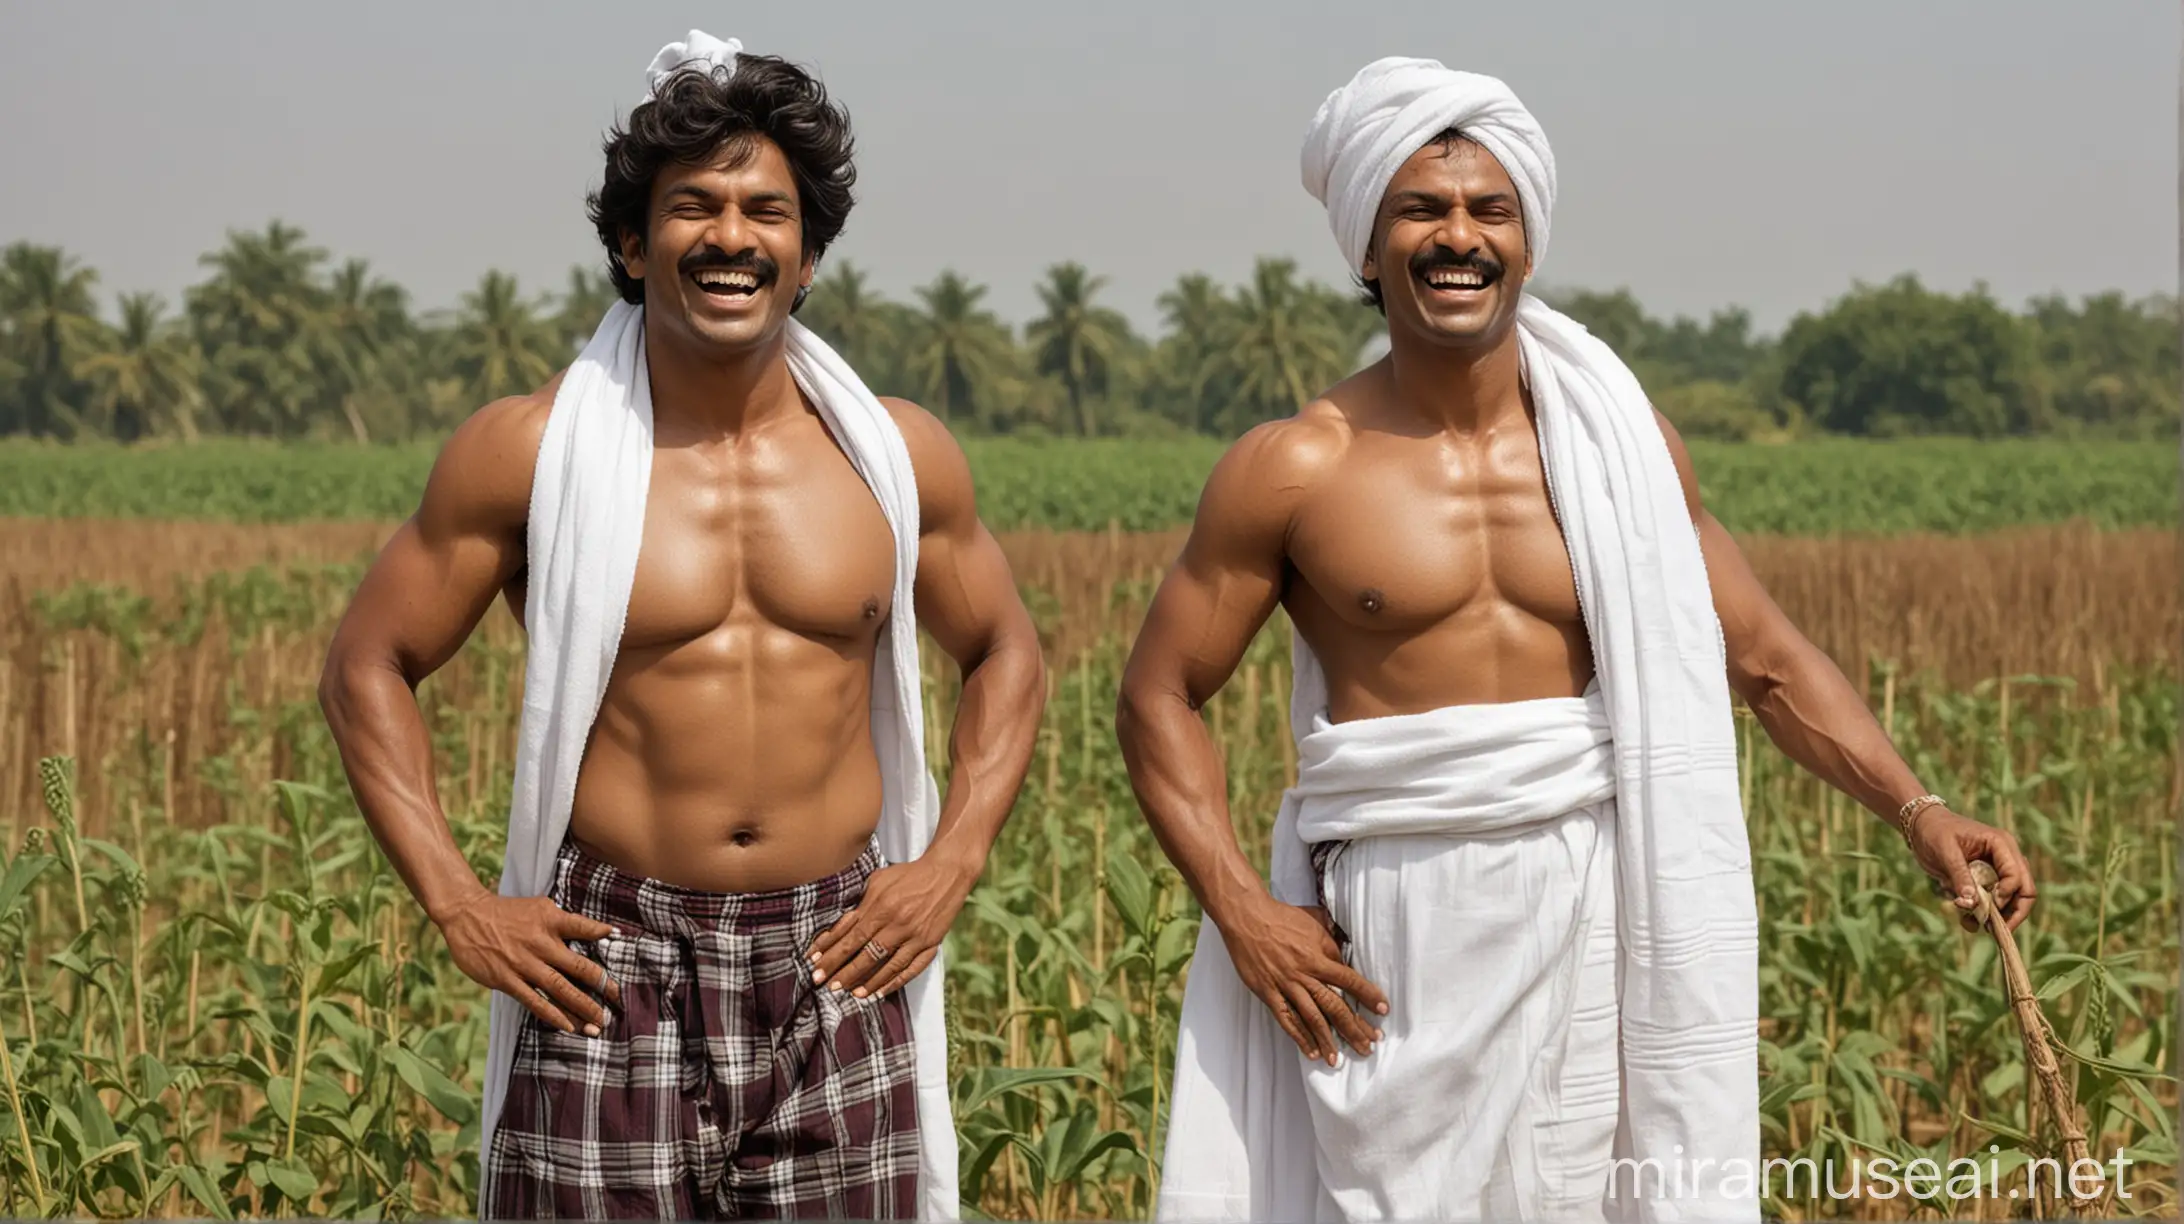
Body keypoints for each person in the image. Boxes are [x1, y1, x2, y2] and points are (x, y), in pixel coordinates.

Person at [1116, 58, 2036, 1223]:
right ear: (1365, 244)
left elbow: (1759, 656)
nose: (1459, 235)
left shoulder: (1620, 446)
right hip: (1400, 917)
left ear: (1528, 239)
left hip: (1601, 897)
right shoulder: (1296, 465)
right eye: (1422, 209)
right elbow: (1157, 694)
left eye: (1489, 210)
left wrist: (1921, 810)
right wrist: (1247, 914)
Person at [317, 31, 1043, 1221]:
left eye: (767, 209)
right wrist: (456, 900)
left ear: (805, 257)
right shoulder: (533, 451)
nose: (730, 236)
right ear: (629, 240)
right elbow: (369, 662)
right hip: (613, 961)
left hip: (836, 954)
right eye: (692, 206)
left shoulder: (893, 455)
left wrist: (951, 860)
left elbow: (1005, 648)